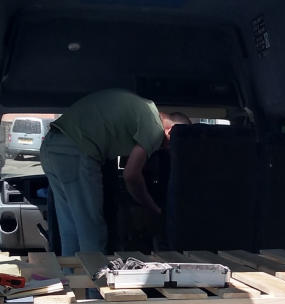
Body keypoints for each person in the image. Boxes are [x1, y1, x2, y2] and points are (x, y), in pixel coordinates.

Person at [39, 90, 190, 256]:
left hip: (51, 147)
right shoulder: (154, 126)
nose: (165, 150)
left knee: (71, 228)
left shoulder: (142, 111)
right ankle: (94, 278)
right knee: (92, 230)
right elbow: (131, 175)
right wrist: (152, 207)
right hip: (76, 150)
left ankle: (71, 277)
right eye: (169, 147)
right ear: (172, 132)